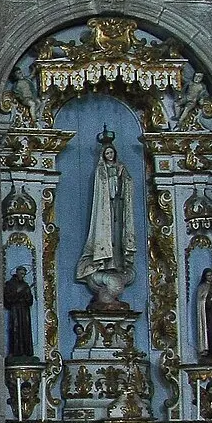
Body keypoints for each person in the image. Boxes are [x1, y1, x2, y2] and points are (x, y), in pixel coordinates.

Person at [76, 130, 136, 305]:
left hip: (118, 207)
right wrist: (112, 180)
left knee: (118, 235)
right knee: (107, 234)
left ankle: (116, 263)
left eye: (111, 153)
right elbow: (102, 189)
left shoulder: (121, 168)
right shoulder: (101, 171)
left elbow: (127, 185)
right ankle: (105, 263)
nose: (110, 155)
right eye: (107, 153)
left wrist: (122, 179)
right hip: (106, 210)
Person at [2, 266, 35, 360]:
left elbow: (30, 301)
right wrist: (19, 294)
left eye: (24, 274)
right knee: (15, 329)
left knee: (25, 330)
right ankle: (15, 352)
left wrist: (27, 294)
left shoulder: (25, 285)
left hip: (24, 310)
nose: (22, 275)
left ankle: (26, 351)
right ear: (17, 273)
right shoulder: (10, 284)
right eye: (21, 273)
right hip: (15, 310)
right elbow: (7, 298)